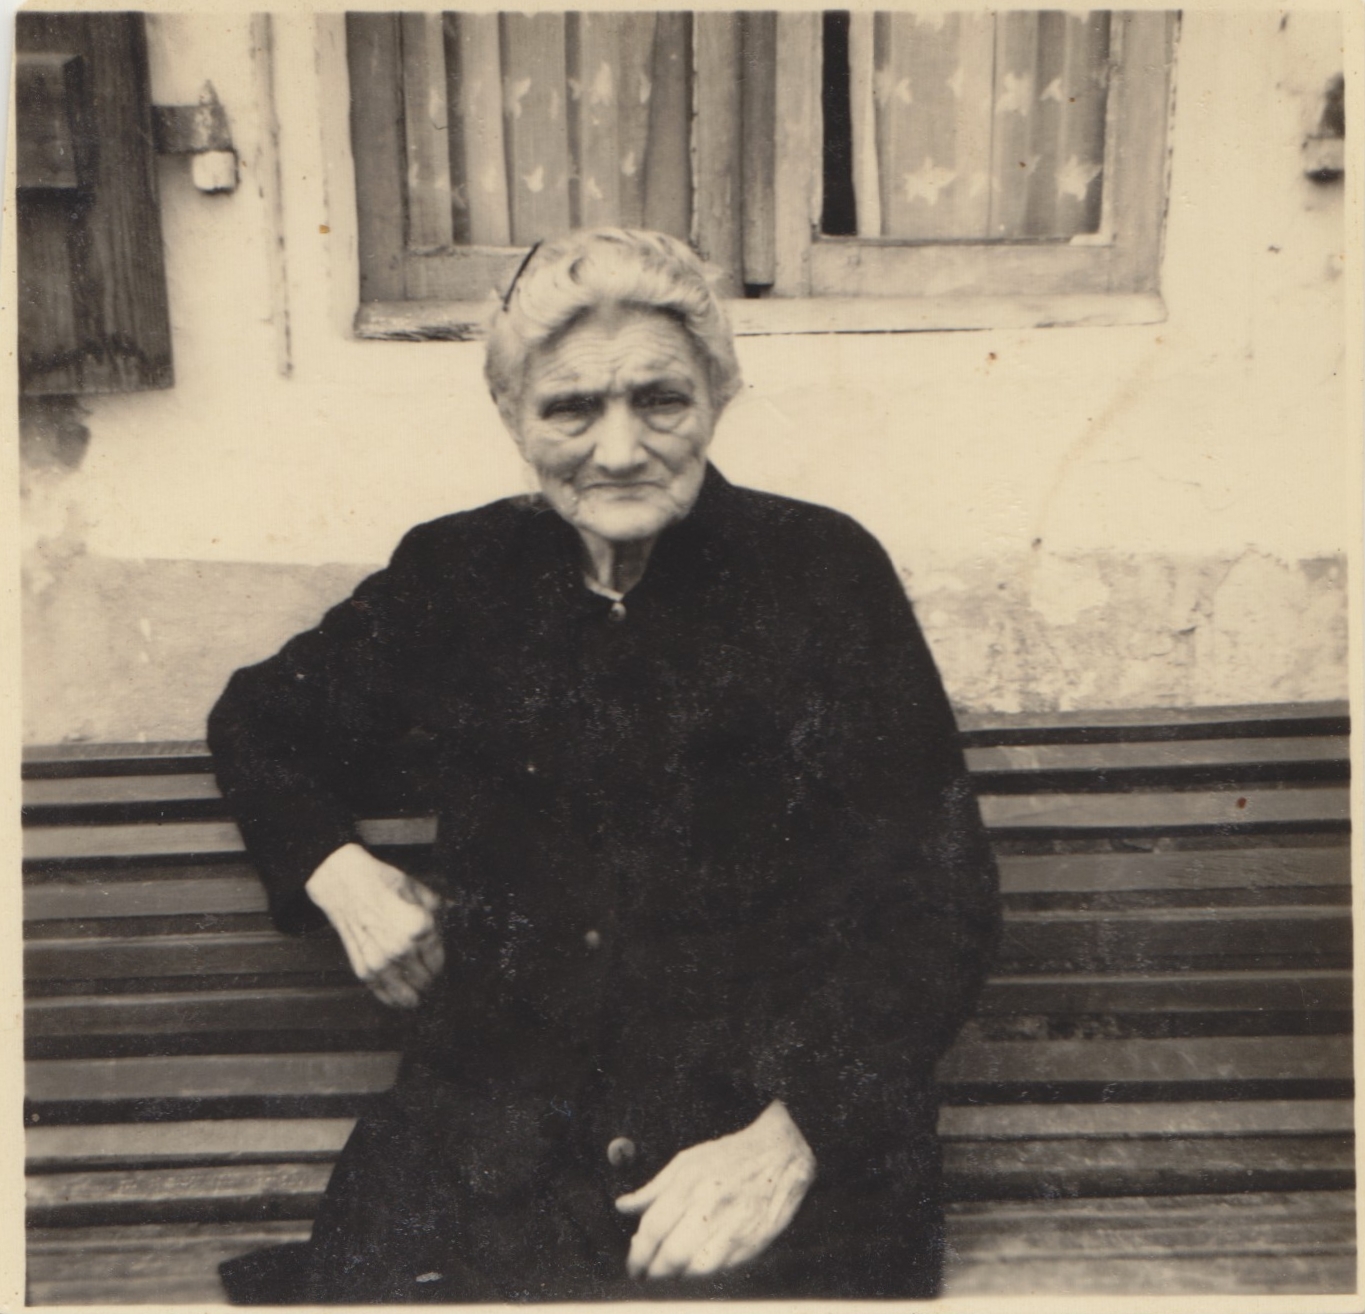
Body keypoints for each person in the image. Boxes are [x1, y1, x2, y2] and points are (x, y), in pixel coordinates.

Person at [209, 227, 999, 1303]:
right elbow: (261, 720)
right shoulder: (460, 573)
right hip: (503, 1143)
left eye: (660, 400)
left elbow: (937, 902)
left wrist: (796, 1133)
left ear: (718, 397)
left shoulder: (820, 574)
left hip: (758, 1141)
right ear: (511, 416)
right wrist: (337, 874)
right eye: (570, 408)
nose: (619, 450)